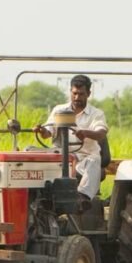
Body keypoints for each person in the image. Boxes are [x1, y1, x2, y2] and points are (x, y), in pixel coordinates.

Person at [33, 74, 108, 208]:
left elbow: (101, 133)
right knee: (29, 151)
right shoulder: (59, 111)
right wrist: (41, 130)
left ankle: (82, 198)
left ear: (88, 94)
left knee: (94, 160)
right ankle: (34, 199)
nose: (77, 97)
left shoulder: (96, 114)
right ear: (70, 92)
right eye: (74, 93)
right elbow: (48, 132)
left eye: (81, 94)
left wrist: (86, 133)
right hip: (60, 159)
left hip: (83, 160)